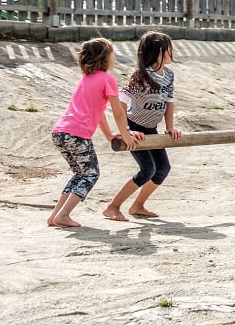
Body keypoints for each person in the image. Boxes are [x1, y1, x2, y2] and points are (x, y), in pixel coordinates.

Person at [48, 38, 140, 228]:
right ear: (105, 57)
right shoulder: (108, 79)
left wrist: (109, 136)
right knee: (91, 174)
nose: (115, 57)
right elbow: (117, 112)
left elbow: (98, 114)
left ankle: (55, 216)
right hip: (77, 134)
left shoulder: (85, 79)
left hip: (60, 132)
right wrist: (126, 134)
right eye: (112, 53)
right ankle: (64, 215)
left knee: (79, 174)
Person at [103, 31, 182, 221]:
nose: (172, 52)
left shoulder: (169, 75)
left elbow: (169, 102)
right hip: (134, 127)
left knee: (163, 168)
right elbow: (121, 103)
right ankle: (112, 207)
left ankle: (138, 206)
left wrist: (170, 127)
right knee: (147, 170)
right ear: (158, 52)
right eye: (169, 49)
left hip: (151, 128)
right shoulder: (141, 76)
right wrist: (127, 131)